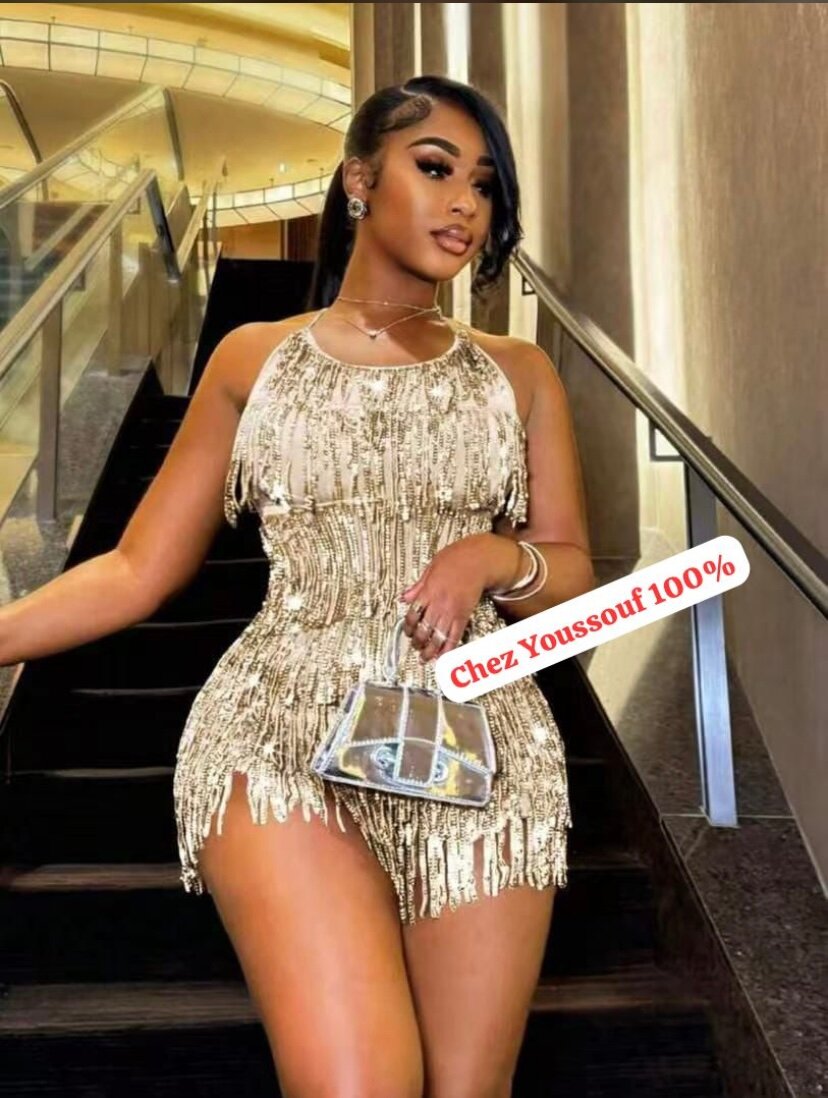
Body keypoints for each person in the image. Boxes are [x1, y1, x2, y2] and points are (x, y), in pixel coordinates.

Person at [0, 74, 594, 1097]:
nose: (464, 203)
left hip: (481, 740)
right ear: (359, 180)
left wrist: (492, 559)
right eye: (436, 168)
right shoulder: (252, 359)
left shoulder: (519, 373)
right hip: (281, 737)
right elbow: (137, 568)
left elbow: (572, 571)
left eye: (485, 186)